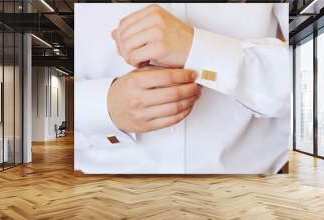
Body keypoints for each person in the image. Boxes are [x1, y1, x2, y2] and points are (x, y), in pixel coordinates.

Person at [75, 3, 290, 174]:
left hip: (252, 188)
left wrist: (200, 50)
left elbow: (312, 75)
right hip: (102, 188)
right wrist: (101, 106)